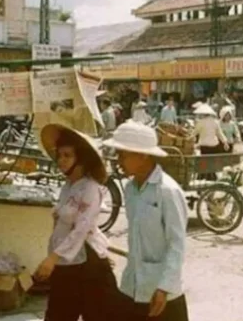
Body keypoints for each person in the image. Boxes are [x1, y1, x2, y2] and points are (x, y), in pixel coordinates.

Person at [103, 121, 189, 321]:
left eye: (123, 154)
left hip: (161, 293)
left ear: (143, 155)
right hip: (131, 287)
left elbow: (177, 244)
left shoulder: (167, 191)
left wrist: (164, 287)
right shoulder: (131, 190)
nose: (118, 160)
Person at [34, 124, 117, 321]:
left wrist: (52, 259)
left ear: (80, 159)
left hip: (87, 263)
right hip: (66, 263)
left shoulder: (90, 189)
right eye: (59, 155)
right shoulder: (68, 186)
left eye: (67, 155)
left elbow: (81, 230)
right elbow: (61, 226)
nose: (61, 160)